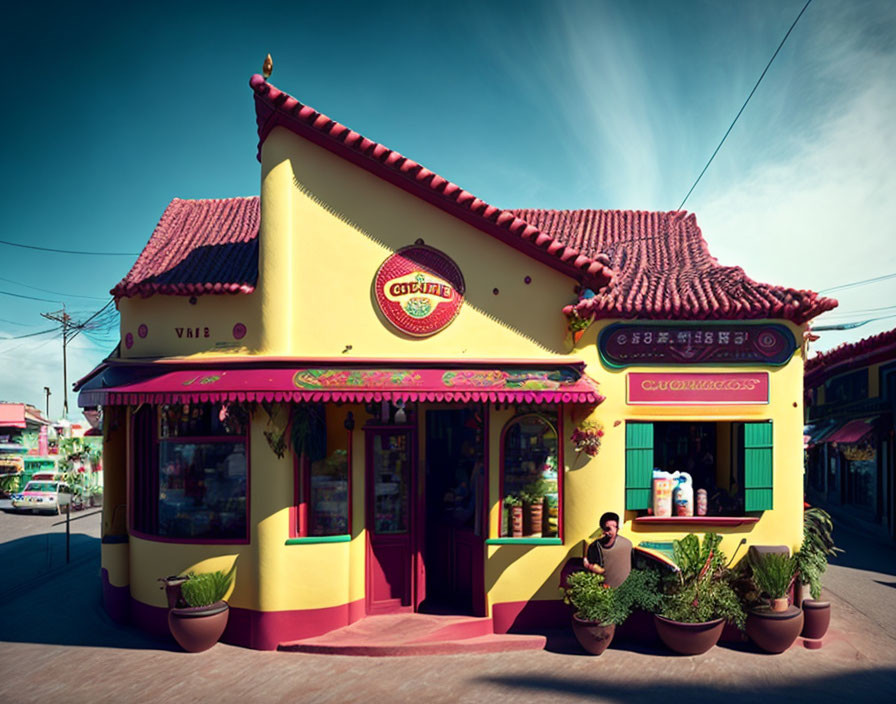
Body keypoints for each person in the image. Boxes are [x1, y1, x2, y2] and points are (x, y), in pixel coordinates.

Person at [583, 511, 632, 587]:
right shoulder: (594, 546)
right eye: (606, 528)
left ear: (617, 528)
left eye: (612, 528)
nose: (608, 532)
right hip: (602, 590)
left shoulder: (627, 544)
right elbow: (592, 569)